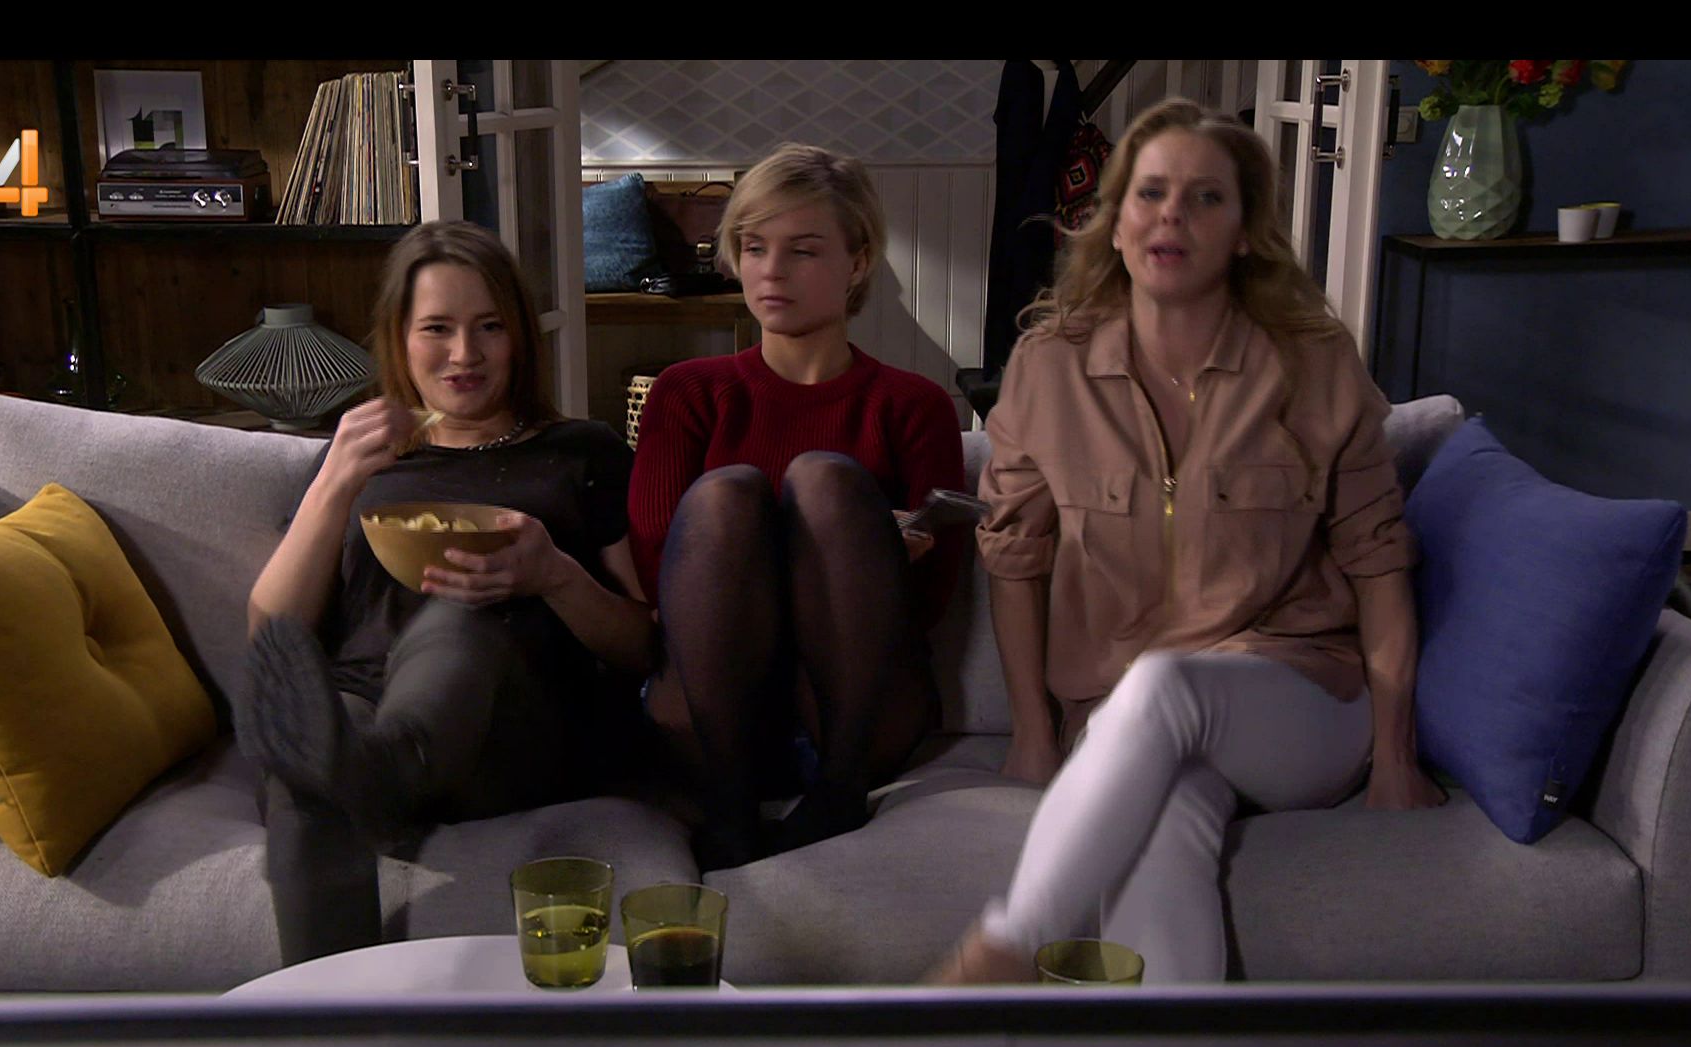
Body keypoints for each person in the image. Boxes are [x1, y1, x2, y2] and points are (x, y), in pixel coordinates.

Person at [926, 100, 1447, 985]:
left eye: (1206, 198)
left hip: (1300, 697)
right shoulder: (1049, 368)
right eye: (1151, 192)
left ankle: (1007, 947)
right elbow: (1014, 558)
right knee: (1161, 824)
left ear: (1244, 233)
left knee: (1168, 683)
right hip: (1121, 720)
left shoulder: (1314, 363)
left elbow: (1379, 564)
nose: (1172, 214)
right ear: (1116, 220)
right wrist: (1033, 735)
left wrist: (1395, 757)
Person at [238, 220, 652, 966]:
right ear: (399, 339)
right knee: (312, 747)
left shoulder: (581, 451)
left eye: (489, 327)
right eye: (437, 328)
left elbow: (643, 644)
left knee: (461, 615)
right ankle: (331, 1019)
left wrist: (554, 574)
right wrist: (336, 480)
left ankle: (382, 770)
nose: (465, 354)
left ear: (518, 338)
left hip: (506, 731)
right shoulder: (358, 459)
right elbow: (273, 630)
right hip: (358, 709)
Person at [626, 143, 968, 871]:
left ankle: (838, 794)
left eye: (803, 250)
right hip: (712, 714)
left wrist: (874, 551)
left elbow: (934, 599)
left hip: (856, 715)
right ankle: (729, 808)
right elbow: (660, 570)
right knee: (728, 494)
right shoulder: (687, 392)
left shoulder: (914, 404)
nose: (771, 271)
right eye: (754, 247)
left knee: (826, 482)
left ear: (858, 262)